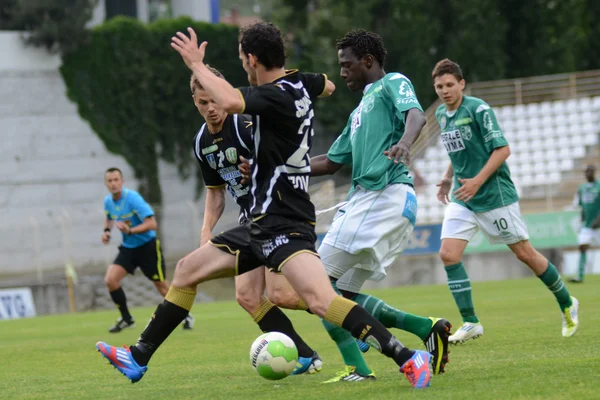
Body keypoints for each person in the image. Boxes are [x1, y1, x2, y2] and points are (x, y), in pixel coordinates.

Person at [96, 22, 433, 389]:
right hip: (260, 219)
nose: (243, 66)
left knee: (321, 301)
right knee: (187, 270)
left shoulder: (279, 94)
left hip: (284, 220)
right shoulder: (300, 84)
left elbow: (229, 101)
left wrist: (197, 65)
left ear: (253, 59)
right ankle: (138, 356)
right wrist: (265, 159)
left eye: (243, 59)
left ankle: (406, 356)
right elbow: (328, 85)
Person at [308, 29, 451, 382]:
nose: (342, 73)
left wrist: (404, 143)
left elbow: (415, 114)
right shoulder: (358, 113)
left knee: (315, 287)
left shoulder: (391, 84)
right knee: (341, 300)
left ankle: (391, 357)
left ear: (368, 61)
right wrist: (281, 167)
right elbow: (330, 162)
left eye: (347, 65)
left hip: (381, 196)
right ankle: (421, 330)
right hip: (373, 202)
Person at [431, 58, 579, 343]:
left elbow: (502, 149)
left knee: (525, 254)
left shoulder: (478, 109)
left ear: (461, 84)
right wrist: (449, 177)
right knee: (448, 254)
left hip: (493, 195)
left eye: (450, 85)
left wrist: (477, 181)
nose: (445, 91)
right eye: (439, 86)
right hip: (464, 197)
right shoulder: (440, 115)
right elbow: (457, 150)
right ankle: (471, 321)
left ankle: (566, 301)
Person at [190, 67, 321, 374]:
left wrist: (259, 167)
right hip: (251, 220)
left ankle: (343, 314)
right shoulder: (202, 143)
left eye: (213, 100)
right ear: (194, 102)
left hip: (276, 211)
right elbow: (216, 194)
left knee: (282, 295)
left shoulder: (246, 124)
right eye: (201, 103)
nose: (210, 108)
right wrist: (206, 231)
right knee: (247, 296)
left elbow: (284, 156)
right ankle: (305, 355)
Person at [102, 167, 194, 332]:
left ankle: (185, 314)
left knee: (161, 286)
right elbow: (109, 218)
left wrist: (130, 231)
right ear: (106, 184)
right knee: (110, 280)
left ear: (122, 182)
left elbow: (152, 224)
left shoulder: (133, 199)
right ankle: (126, 318)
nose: (113, 183)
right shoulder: (108, 201)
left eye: (116, 180)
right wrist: (106, 232)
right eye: (110, 181)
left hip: (147, 247)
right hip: (128, 249)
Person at [571, 165, 600, 283]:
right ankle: (580, 276)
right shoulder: (581, 188)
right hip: (587, 225)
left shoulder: (599, 186)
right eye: (586, 171)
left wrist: (598, 220)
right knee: (582, 247)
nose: (588, 173)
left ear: (594, 172)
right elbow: (581, 205)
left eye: (590, 171)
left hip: (598, 225)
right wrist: (583, 219)